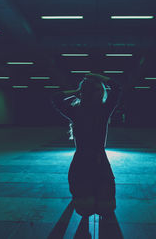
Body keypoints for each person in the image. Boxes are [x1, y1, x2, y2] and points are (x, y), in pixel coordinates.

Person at [51, 73, 122, 217]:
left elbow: (117, 89)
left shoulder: (101, 110)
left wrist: (93, 79)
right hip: (86, 161)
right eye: (96, 89)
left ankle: (88, 198)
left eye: (99, 89)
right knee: (87, 209)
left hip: (96, 160)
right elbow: (55, 98)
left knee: (105, 207)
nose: (101, 92)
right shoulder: (81, 111)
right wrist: (79, 91)